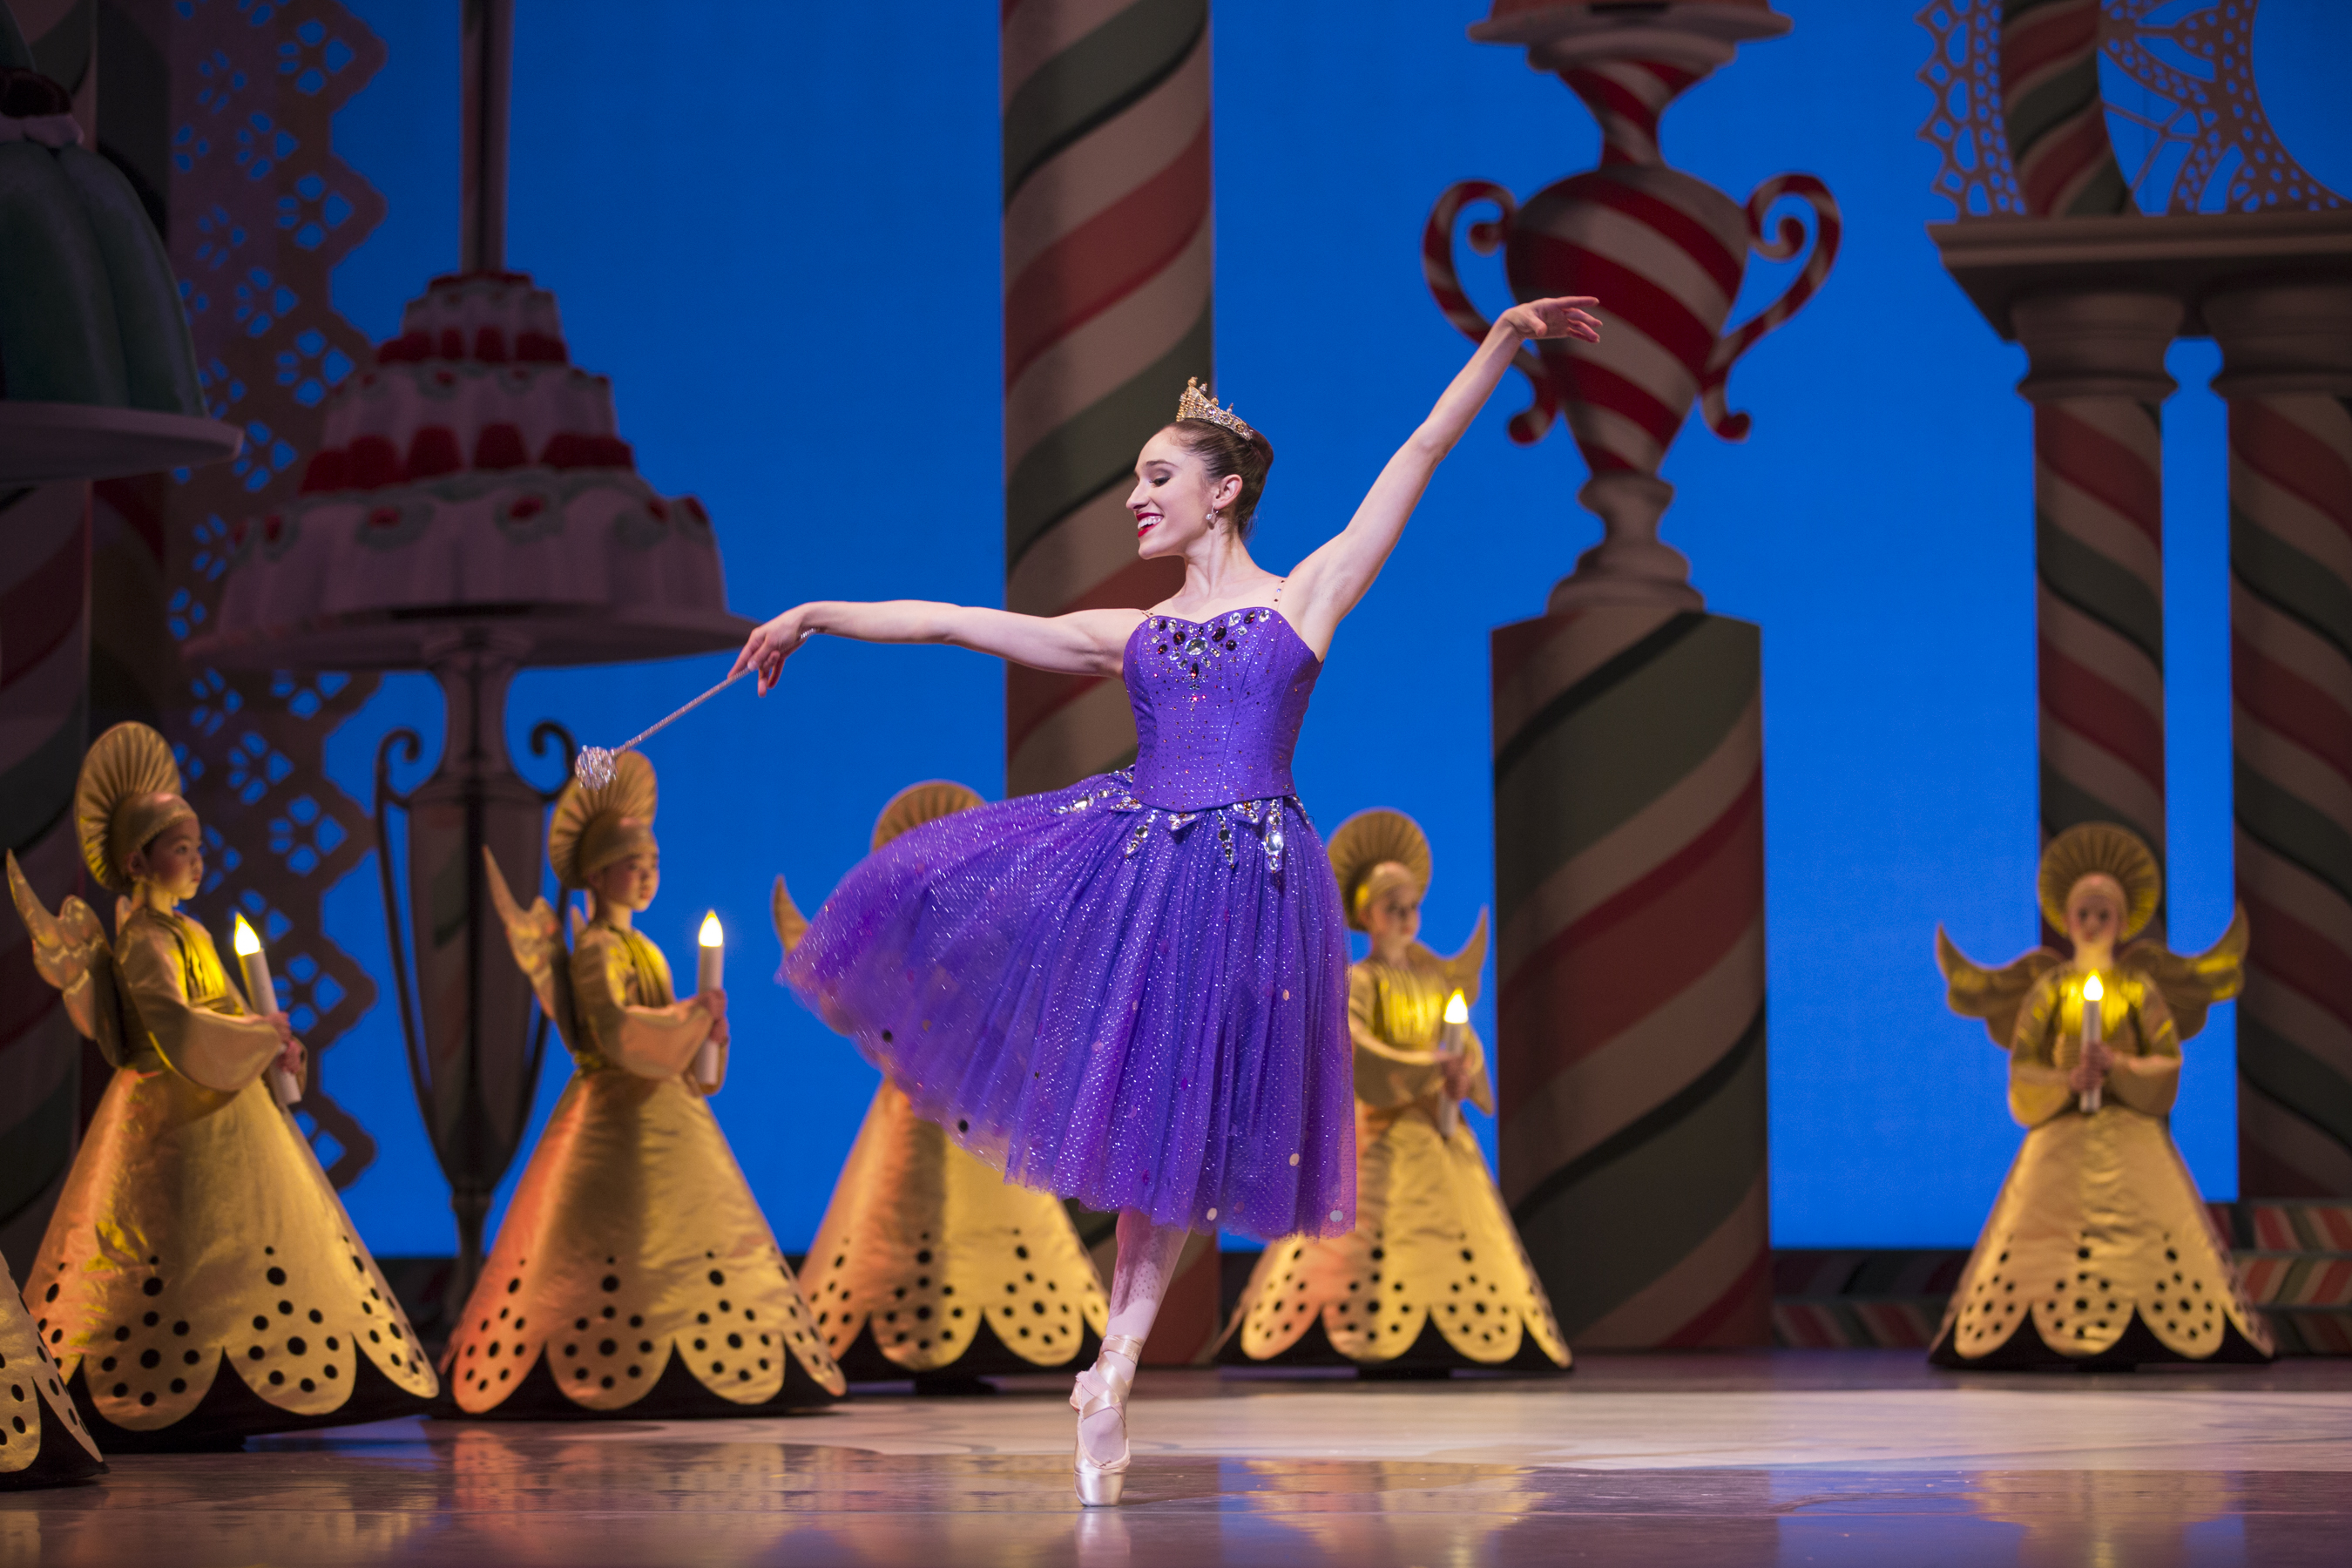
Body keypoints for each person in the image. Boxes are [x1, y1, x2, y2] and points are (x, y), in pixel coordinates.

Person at [735, 294, 1602, 1504]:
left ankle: (1115, 1365)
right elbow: (958, 624)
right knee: (1150, 1128)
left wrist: (1503, 340)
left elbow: (1418, 456)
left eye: (1156, 478)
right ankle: (1115, 1365)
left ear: (1223, 491)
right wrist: (817, 614)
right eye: (1134, 481)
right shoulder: (1130, 633)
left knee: (1192, 1142)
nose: (1136, 499)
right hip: (1140, 876)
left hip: (1252, 885)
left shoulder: (1301, 601)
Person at [7, 722, 437, 1448]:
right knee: (170, 1244)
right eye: (183, 850)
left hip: (227, 1108)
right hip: (166, 1116)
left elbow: (232, 1011)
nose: (198, 862)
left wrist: (276, 1045)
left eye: (200, 849)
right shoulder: (143, 940)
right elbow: (175, 1027)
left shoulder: (197, 935)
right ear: (140, 861)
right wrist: (254, 1036)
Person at [455, 751, 846, 1414]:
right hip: (611, 1114)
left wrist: (706, 1037)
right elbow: (613, 1029)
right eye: (634, 865)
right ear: (599, 873)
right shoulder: (596, 949)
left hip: (669, 1113)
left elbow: (676, 1050)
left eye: (654, 864)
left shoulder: (650, 952)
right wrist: (690, 1016)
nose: (647, 876)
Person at [779, 781, 1109, 1385]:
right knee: (913, 1202)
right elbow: (855, 1004)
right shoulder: (902, 947)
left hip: (976, 1099)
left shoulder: (984, 937)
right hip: (916, 1103)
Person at [1221, 808, 1568, 1373]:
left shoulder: (1434, 980)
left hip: (1435, 1134)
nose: (1407, 919)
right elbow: (1354, 1044)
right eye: (1393, 909)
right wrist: (1428, 1067)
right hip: (1377, 1137)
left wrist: (1462, 1071)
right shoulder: (1363, 982)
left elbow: (1463, 1040)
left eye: (1412, 909)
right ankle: (1363, 1321)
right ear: (1368, 915)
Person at [1933, 823, 2270, 1367]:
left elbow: (2165, 1057)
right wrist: (2065, 1079)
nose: (2092, 925)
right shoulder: (2050, 990)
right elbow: (2024, 1066)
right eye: (2083, 915)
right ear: (2066, 921)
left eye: (2103, 915)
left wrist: (2117, 1065)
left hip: (2130, 1135)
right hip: (2060, 1138)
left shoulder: (2139, 989)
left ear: (2121, 922)